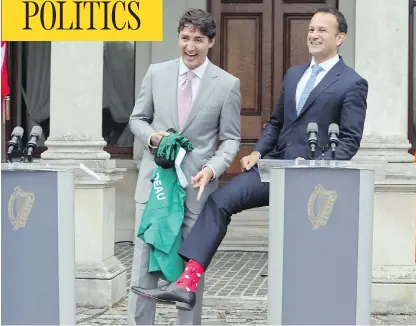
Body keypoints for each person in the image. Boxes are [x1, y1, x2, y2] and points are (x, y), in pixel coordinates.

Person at [131, 7, 368, 311]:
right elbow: (278, 123)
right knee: (219, 201)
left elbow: (349, 141)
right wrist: (258, 152)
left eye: (322, 30)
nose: (314, 35)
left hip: (315, 179)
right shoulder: (295, 75)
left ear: (340, 37)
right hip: (275, 168)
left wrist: (321, 167)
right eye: (311, 29)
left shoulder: (352, 82)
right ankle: (186, 283)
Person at [127, 8, 241, 325]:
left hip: (196, 189)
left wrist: (213, 169)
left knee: (190, 270)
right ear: (179, 38)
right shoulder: (156, 73)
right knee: (143, 264)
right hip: (156, 187)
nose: (190, 46)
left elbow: (231, 139)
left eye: (198, 40)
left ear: (211, 42)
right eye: (185, 38)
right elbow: (137, 119)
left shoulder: (227, 85)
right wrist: (152, 139)